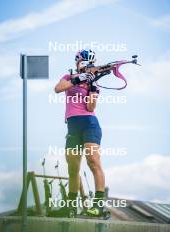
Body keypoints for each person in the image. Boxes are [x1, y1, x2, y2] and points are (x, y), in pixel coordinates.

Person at [54, 49, 106, 217]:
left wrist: (91, 84)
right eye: (83, 62)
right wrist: (81, 78)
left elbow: (91, 107)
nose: (86, 66)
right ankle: (70, 207)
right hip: (73, 125)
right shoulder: (69, 77)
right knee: (73, 168)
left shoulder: (94, 83)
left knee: (93, 161)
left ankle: (98, 206)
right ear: (77, 63)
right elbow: (58, 88)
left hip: (89, 123)